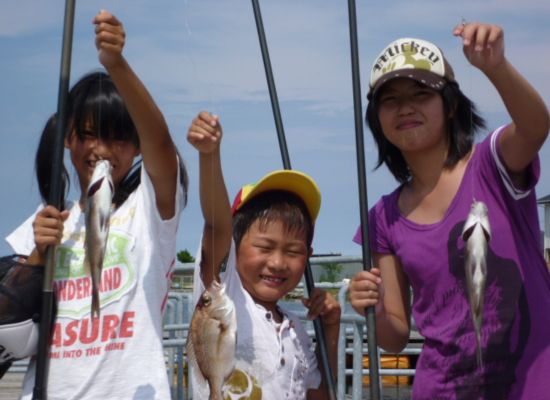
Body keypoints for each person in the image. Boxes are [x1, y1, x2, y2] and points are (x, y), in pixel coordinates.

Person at [348, 22, 550, 399]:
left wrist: (496, 67)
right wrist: (366, 306)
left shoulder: (492, 163)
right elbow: (393, 336)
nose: (405, 107)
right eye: (389, 100)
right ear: (377, 117)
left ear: (451, 103)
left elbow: (536, 127)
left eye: (421, 93)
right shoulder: (382, 219)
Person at [5, 10, 188, 399]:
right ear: (68, 137)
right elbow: (12, 318)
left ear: (137, 147)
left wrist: (117, 64)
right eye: (88, 135)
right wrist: (38, 255)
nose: (101, 150)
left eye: (118, 138)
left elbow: (162, 142)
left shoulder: (148, 211)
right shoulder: (48, 218)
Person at [187, 111, 341, 399]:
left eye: (293, 251)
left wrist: (330, 330)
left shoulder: (296, 329)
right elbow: (216, 224)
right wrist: (210, 156)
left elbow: (319, 396)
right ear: (233, 246)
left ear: (308, 256)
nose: (278, 262)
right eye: (264, 247)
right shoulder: (223, 291)